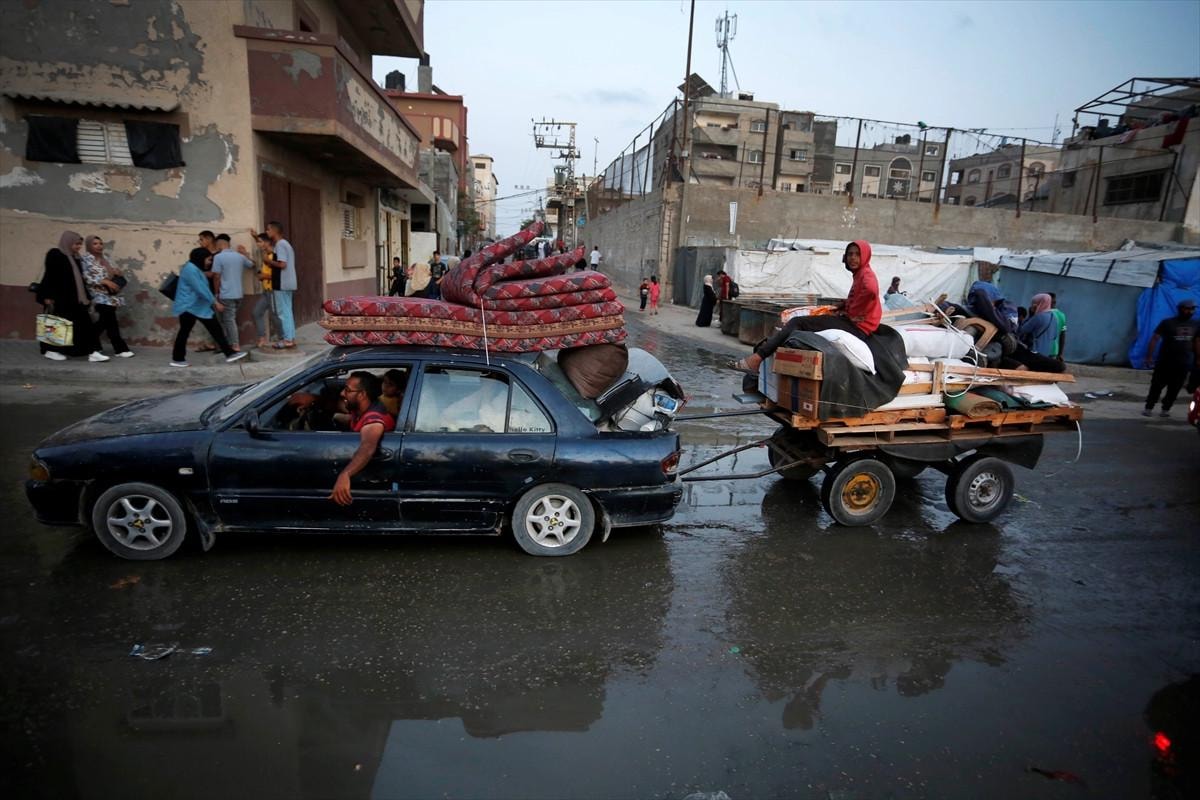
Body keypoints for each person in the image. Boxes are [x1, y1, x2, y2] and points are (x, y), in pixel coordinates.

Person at [731, 240, 881, 372]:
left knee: (798, 322)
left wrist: (853, 313)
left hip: (857, 327)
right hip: (854, 323)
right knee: (810, 319)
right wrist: (843, 306)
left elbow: (871, 290)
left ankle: (757, 358)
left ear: (865, 256)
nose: (853, 258)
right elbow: (858, 296)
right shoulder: (860, 274)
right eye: (850, 254)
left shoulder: (866, 275)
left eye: (857, 254)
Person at [36, 231, 107, 362]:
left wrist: (86, 297)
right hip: (60, 299)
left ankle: (92, 352)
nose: (78, 247)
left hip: (76, 299)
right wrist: (47, 296)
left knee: (85, 325)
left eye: (80, 244)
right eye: (76, 244)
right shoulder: (55, 255)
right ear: (68, 242)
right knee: (57, 325)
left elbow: (80, 279)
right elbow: (50, 276)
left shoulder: (76, 257)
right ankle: (51, 350)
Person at [171, 247, 248, 367]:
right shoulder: (190, 270)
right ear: (201, 258)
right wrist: (215, 302)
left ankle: (229, 353)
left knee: (214, 329)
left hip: (198, 306)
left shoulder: (194, 268)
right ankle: (178, 359)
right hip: (189, 306)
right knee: (186, 332)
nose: (210, 262)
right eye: (208, 259)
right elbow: (201, 288)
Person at [330, 371, 396, 506]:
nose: (342, 393)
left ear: (362, 394)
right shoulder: (361, 409)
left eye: (347, 390)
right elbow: (343, 410)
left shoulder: (373, 421)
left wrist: (345, 475)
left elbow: (367, 448)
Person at [1142, 299, 1197, 418]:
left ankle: (1166, 409)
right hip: (1165, 362)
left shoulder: (1196, 325)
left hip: (1183, 363)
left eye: (1192, 309)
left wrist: (1197, 359)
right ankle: (1149, 407)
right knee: (1156, 386)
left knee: (1175, 388)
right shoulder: (1167, 323)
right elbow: (1155, 338)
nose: (1190, 311)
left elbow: (1197, 342)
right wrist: (1149, 357)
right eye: (1187, 309)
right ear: (1180, 309)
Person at [81, 235, 133, 358]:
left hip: (110, 294)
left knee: (108, 321)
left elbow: (112, 273)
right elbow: (85, 276)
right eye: (95, 244)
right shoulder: (85, 259)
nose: (99, 246)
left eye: (100, 243)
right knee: (108, 321)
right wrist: (103, 281)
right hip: (97, 294)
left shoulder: (106, 258)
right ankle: (118, 348)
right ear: (89, 245)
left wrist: (117, 273)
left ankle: (95, 346)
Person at [211, 233, 255, 352]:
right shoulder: (239, 257)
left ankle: (235, 345)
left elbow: (216, 276)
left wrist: (216, 293)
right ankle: (226, 344)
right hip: (239, 294)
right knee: (226, 319)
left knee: (228, 320)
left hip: (225, 294)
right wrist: (245, 254)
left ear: (219, 244)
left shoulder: (218, 257)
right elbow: (252, 264)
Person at [264, 221, 297, 348]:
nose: (267, 232)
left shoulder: (280, 244)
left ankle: (287, 339)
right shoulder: (285, 244)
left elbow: (282, 264)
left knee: (283, 312)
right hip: (288, 282)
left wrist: (269, 261)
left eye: (268, 229)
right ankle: (291, 338)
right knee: (287, 311)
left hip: (282, 282)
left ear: (274, 231)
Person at [251, 232, 281, 349]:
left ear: (267, 242)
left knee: (275, 316)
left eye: (260, 242)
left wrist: (264, 276)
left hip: (273, 290)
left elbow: (277, 275)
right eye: (257, 242)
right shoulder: (266, 255)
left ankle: (283, 338)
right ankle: (262, 338)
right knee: (256, 312)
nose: (258, 244)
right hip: (266, 290)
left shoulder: (273, 256)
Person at [1049, 292, 1068, 361]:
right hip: (1054, 351)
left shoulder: (1043, 313)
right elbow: (1062, 335)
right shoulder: (1062, 315)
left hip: (1040, 350)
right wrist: (1060, 354)